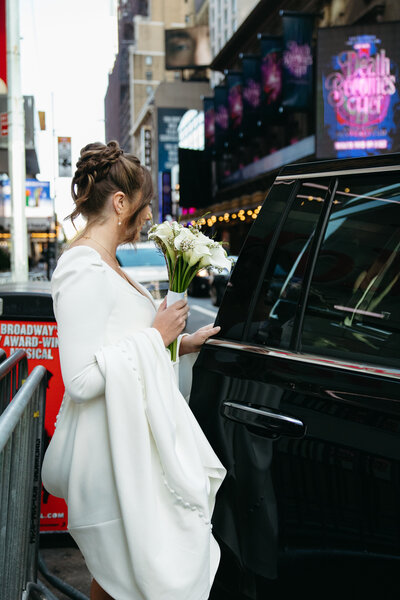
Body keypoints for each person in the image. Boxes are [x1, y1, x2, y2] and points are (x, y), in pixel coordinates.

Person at [41, 141, 226, 600]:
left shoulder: (108, 262)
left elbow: (117, 344)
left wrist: (179, 343)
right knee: (130, 576)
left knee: (121, 579)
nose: (148, 218)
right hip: (113, 456)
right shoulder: (80, 267)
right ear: (120, 202)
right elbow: (82, 379)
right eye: (144, 207)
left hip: (131, 448)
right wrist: (156, 336)